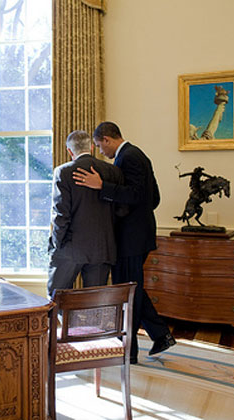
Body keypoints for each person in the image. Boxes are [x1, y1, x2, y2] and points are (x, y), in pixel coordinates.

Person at [72, 122, 175, 363]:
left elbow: (138, 195)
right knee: (133, 288)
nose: (100, 151)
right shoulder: (137, 155)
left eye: (99, 145)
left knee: (128, 292)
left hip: (131, 239)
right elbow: (154, 198)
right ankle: (160, 335)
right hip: (138, 236)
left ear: (107, 139)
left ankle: (130, 351)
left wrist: (102, 187)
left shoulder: (128, 157)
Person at [47, 130, 123, 296]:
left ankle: (63, 323)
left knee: (55, 298)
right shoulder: (113, 171)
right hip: (103, 248)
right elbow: (121, 210)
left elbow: (61, 214)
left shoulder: (63, 172)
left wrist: (55, 244)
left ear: (69, 151)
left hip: (70, 248)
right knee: (94, 304)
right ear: (91, 147)